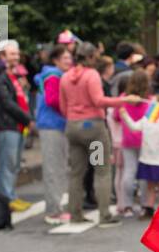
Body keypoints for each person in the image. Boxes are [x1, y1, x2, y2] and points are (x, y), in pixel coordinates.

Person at [58, 42, 142, 227]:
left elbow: (63, 106)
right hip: (93, 129)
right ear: (90, 57)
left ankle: (75, 213)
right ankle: (104, 215)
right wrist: (124, 100)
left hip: (73, 127)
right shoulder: (92, 75)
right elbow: (98, 100)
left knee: (76, 173)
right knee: (101, 170)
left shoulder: (64, 77)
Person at [118, 90, 159, 216]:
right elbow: (134, 127)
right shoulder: (147, 119)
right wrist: (124, 115)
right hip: (147, 159)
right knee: (149, 185)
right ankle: (148, 208)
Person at [0, 40, 33, 211]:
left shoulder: (13, 75)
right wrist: (27, 118)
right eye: (12, 54)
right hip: (7, 125)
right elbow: (6, 102)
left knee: (14, 164)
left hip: (18, 124)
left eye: (17, 53)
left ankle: (12, 195)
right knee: (7, 164)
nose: (16, 57)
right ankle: (6, 199)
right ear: (2, 56)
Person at [34, 46, 72, 225]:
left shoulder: (54, 75)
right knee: (53, 169)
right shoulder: (53, 76)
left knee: (58, 168)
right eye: (65, 58)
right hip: (52, 125)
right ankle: (53, 211)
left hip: (56, 125)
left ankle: (56, 207)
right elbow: (52, 100)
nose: (69, 61)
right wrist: (69, 109)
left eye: (69, 57)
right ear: (56, 60)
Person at [114, 69, 152, 218]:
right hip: (145, 140)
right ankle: (144, 204)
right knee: (143, 173)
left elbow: (117, 116)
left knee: (128, 171)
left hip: (127, 139)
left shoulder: (123, 98)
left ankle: (127, 205)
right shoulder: (149, 100)